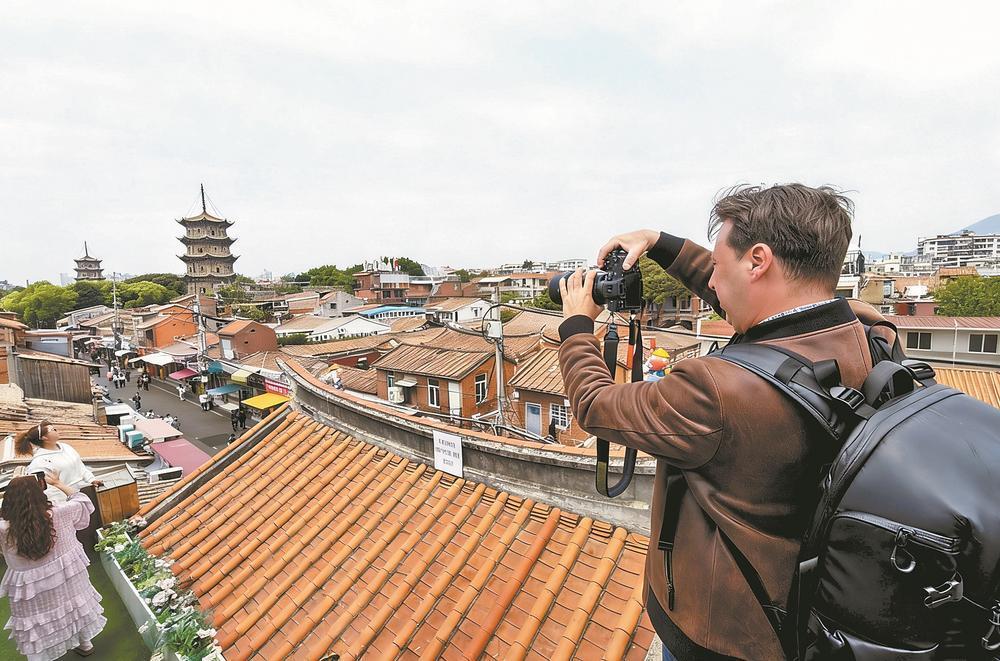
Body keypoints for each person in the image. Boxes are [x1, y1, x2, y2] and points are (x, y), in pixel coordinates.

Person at [557, 184, 888, 660]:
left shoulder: (716, 390)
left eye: (717, 265)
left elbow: (594, 404)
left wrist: (576, 326)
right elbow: (762, 308)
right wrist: (660, 243)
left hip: (721, 634)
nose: (711, 281)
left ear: (758, 261)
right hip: (803, 607)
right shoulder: (869, 332)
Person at [0, 474, 107, 659]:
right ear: (40, 493)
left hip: (30, 588)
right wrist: (57, 483)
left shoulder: (3, 528)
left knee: (34, 622)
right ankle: (85, 644)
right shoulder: (60, 513)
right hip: (67, 577)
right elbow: (82, 500)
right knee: (75, 605)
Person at [18, 422, 104, 504]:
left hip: (85, 492)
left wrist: (92, 480)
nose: (56, 430)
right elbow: (46, 489)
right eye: (52, 430)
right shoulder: (39, 462)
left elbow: (80, 467)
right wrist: (63, 503)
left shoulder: (66, 447)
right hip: (66, 500)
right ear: (44, 438)